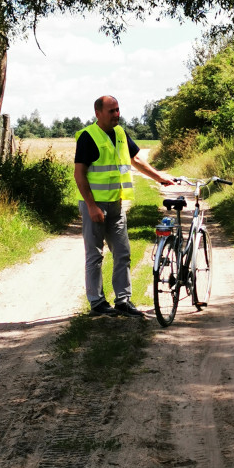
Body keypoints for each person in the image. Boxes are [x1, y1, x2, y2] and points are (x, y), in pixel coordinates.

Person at [74, 95, 174, 318]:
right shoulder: (88, 137)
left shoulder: (120, 134)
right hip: (95, 205)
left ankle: (123, 300)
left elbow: (136, 160)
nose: (116, 115)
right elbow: (79, 174)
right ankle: (97, 302)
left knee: (122, 253)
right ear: (98, 113)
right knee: (95, 255)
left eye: (117, 110)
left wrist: (160, 178)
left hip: (116, 204)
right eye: (111, 111)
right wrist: (91, 206)